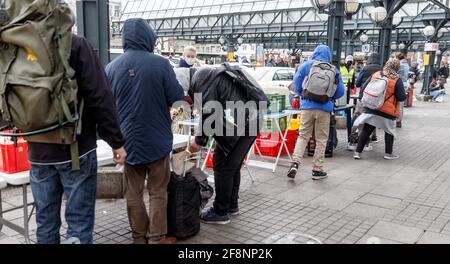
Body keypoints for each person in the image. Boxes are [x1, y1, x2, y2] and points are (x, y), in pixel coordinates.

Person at [28, 37, 127, 244]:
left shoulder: (22, 43)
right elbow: (100, 96)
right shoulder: (75, 44)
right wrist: (116, 141)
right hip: (75, 150)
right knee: (78, 223)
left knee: (45, 223)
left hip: (37, 150)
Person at [106, 18, 184, 244]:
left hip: (127, 141)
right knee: (158, 191)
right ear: (149, 37)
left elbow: (105, 108)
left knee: (133, 192)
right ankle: (157, 237)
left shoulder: (111, 68)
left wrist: (114, 141)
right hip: (158, 140)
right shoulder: (160, 64)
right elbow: (178, 99)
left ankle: (138, 238)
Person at [188, 66, 260, 225]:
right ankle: (232, 206)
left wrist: (199, 141)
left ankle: (220, 211)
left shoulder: (200, 79)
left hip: (242, 124)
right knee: (231, 165)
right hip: (249, 121)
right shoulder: (206, 74)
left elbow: (208, 112)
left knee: (223, 167)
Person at [286, 45, 345, 180]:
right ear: (328, 55)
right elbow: (340, 91)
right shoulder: (334, 70)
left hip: (307, 106)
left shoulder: (306, 65)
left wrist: (304, 95)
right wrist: (329, 98)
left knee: (303, 136)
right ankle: (317, 170)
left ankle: (295, 163)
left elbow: (296, 83)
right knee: (321, 139)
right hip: (324, 108)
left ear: (315, 53)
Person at [353, 59, 407, 160]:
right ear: (397, 67)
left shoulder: (377, 74)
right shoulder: (396, 79)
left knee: (367, 130)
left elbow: (364, 87)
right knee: (389, 131)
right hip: (387, 111)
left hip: (372, 107)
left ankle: (357, 152)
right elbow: (401, 97)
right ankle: (388, 153)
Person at [355, 53, 382, 142]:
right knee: (373, 117)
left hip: (364, 97)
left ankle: (358, 136)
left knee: (360, 116)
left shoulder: (365, 68)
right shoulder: (382, 70)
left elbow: (358, 83)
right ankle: (373, 136)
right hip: (376, 99)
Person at [396, 52, 409, 128]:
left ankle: (397, 120)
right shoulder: (406, 64)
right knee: (401, 104)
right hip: (405, 84)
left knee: (397, 103)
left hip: (399, 84)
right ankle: (399, 121)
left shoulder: (399, 65)